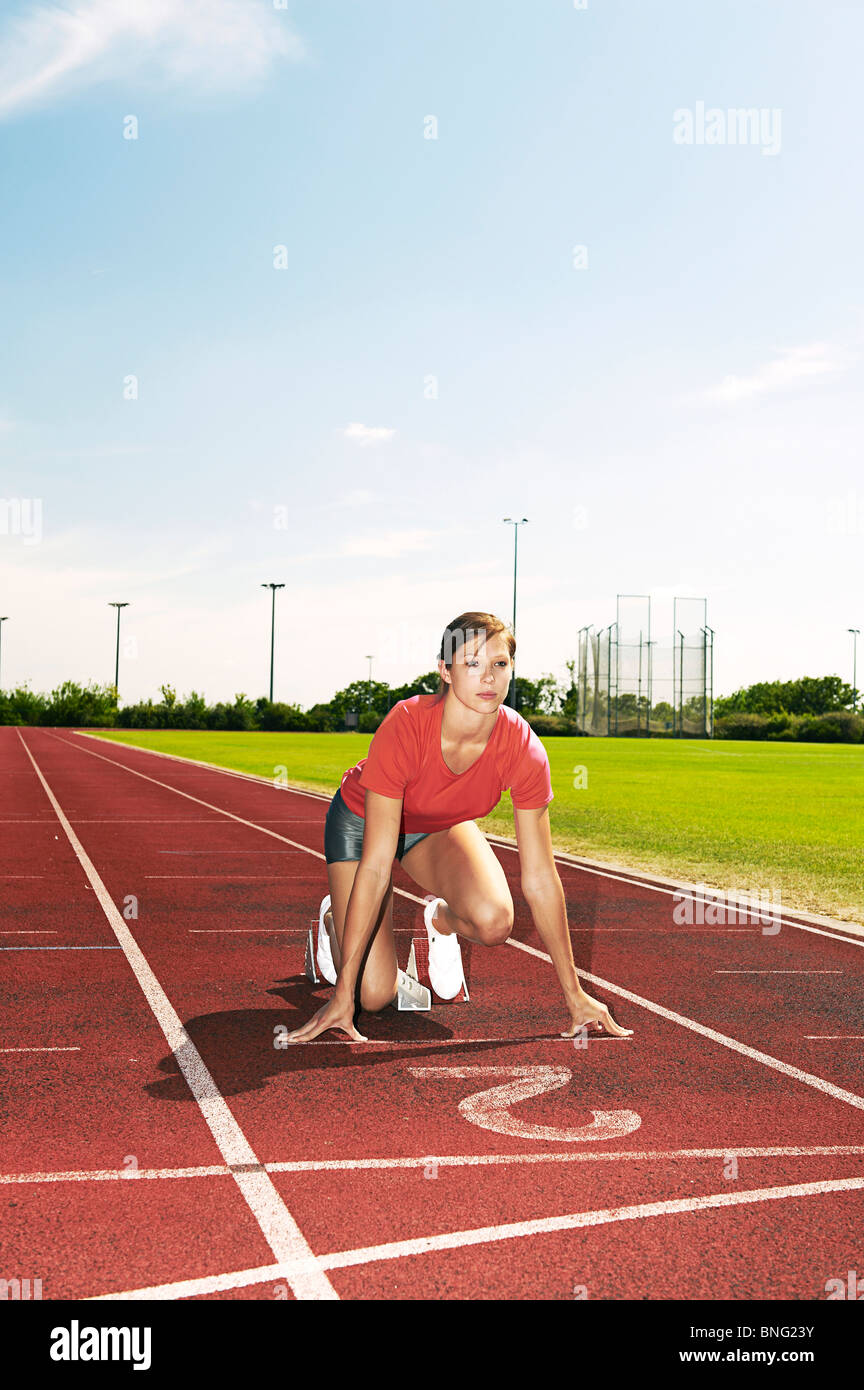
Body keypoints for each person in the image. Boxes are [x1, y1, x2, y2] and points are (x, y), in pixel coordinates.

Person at [286, 611, 633, 1044]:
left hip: (435, 827)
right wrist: (342, 996)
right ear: (445, 671)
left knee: (494, 921)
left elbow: (542, 877)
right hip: (362, 824)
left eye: (499, 664)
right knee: (372, 996)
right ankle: (335, 922)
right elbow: (377, 866)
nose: (487, 676)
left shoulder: (523, 748)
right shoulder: (407, 724)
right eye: (471, 662)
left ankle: (441, 922)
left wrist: (575, 994)